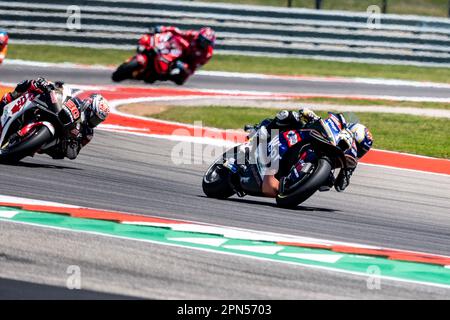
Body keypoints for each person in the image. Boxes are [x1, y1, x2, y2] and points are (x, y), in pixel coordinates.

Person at [227, 108, 373, 197]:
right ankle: (259, 133)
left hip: (300, 169)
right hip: (300, 139)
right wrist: (311, 116)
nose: (357, 151)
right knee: (288, 116)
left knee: (327, 182)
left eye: (361, 151)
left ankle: (291, 181)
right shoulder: (336, 126)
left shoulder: (350, 161)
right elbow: (306, 113)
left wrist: (344, 174)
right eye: (358, 145)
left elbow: (340, 186)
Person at [0, 77, 110, 160]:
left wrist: (73, 142)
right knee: (31, 85)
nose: (95, 122)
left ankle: (19, 146)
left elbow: (73, 154)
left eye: (98, 121)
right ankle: (7, 100)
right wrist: (47, 86)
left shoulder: (88, 133)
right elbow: (59, 90)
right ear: (88, 107)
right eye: (95, 118)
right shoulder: (75, 101)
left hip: (53, 143)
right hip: (51, 112)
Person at [147, 25, 215, 85]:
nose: (203, 43)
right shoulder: (193, 35)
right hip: (179, 51)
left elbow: (194, 67)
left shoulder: (207, 54)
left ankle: (163, 76)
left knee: (180, 80)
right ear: (199, 36)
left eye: (206, 42)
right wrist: (163, 28)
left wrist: (184, 66)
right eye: (202, 39)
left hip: (187, 61)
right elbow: (178, 32)